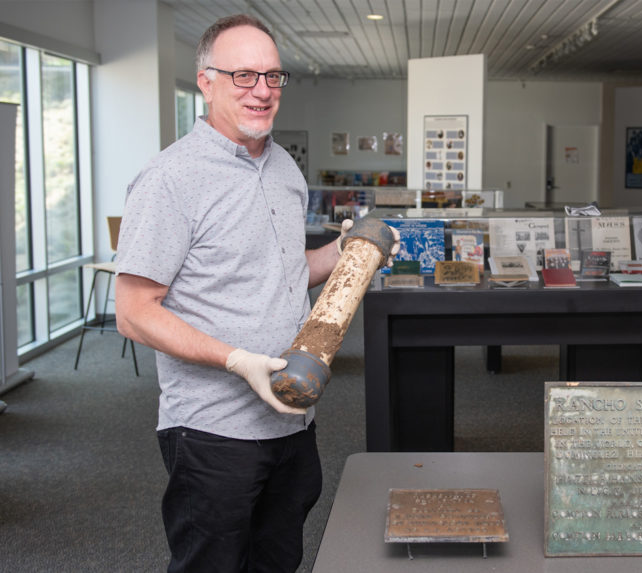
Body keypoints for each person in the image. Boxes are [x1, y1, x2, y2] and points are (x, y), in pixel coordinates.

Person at [114, 14, 397, 572]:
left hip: (293, 418)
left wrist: (347, 253)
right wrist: (236, 359)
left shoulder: (284, 167)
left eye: (272, 76)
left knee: (277, 562)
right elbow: (133, 313)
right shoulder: (171, 179)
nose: (262, 91)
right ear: (206, 81)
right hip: (212, 430)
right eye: (244, 75)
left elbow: (292, 272)